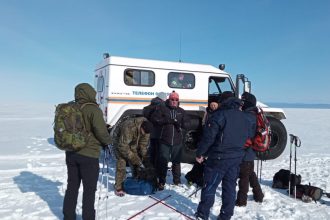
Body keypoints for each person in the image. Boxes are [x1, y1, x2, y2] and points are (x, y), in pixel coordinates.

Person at [194, 95, 255, 220]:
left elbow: (208, 138)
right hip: (236, 158)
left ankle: (202, 214)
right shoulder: (245, 118)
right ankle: (226, 215)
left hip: (219, 158)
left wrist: (200, 153)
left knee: (210, 185)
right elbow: (249, 136)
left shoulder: (219, 115)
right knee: (230, 187)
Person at [63, 83, 112, 220]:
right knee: (89, 190)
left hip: (71, 153)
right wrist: (108, 142)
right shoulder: (93, 109)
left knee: (72, 186)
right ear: (89, 93)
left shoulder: (70, 107)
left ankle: (68, 217)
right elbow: (101, 132)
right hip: (88, 155)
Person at [150, 91, 189, 190]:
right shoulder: (162, 108)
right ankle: (161, 181)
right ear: (169, 99)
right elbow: (154, 119)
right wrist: (166, 121)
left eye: (176, 100)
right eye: (172, 99)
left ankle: (177, 181)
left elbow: (187, 124)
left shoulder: (181, 111)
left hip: (177, 140)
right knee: (163, 161)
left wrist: (179, 123)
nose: (174, 101)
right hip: (165, 140)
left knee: (176, 162)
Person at [112, 117, 153, 196]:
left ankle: (135, 180)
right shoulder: (129, 126)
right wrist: (134, 158)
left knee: (137, 160)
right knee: (122, 162)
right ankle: (118, 186)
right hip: (120, 142)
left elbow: (143, 145)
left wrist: (145, 158)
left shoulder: (147, 129)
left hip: (132, 143)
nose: (144, 134)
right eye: (143, 132)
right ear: (141, 127)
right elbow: (122, 146)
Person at [236, 92, 264, 206]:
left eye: (243, 101)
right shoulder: (254, 114)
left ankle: (241, 201)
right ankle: (259, 195)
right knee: (250, 173)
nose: (241, 103)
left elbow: (243, 135)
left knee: (244, 176)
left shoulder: (247, 116)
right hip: (251, 151)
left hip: (246, 150)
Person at [142, 92, 167, 168]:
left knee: (152, 150)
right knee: (160, 152)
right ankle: (158, 167)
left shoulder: (147, 107)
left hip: (150, 132)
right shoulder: (162, 106)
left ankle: (151, 166)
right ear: (163, 99)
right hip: (160, 132)